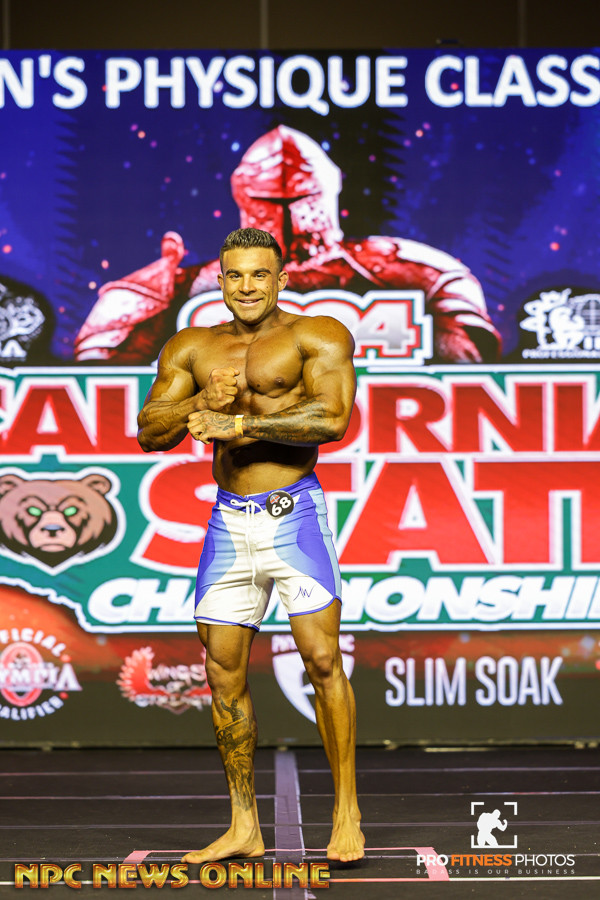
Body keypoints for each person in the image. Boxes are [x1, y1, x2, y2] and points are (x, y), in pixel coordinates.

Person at [137, 226, 364, 865]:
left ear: (281, 279)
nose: (247, 286)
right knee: (222, 672)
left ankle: (346, 814)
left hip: (295, 515)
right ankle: (244, 826)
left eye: (259, 274)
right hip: (228, 522)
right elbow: (149, 430)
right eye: (235, 275)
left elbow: (332, 418)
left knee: (322, 661)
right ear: (219, 280)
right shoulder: (191, 346)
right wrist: (197, 403)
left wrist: (239, 421)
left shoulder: (317, 335)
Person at [75, 126, 501, 365]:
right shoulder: (180, 285)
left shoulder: (419, 271)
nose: (287, 213)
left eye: (300, 199)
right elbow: (103, 382)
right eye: (269, 201)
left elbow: (467, 370)